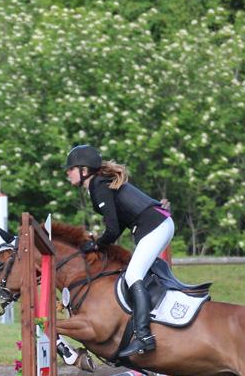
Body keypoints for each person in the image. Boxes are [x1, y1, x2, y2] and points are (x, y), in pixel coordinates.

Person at [64, 144, 175, 357]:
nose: (67, 173)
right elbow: (120, 222)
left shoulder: (98, 185)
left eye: (71, 168)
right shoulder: (100, 184)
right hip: (158, 224)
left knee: (133, 275)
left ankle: (144, 336)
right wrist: (99, 242)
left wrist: (97, 244)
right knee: (139, 273)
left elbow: (113, 229)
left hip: (155, 226)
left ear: (84, 170)